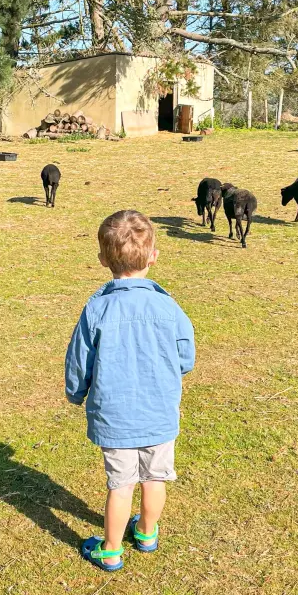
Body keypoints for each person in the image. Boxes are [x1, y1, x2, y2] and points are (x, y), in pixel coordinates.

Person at [65, 209, 195, 571]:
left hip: (115, 417)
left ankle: (110, 549)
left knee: (120, 485)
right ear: (153, 255)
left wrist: (75, 392)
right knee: (155, 478)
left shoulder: (97, 309)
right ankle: (147, 532)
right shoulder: (168, 306)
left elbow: (79, 359)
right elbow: (186, 354)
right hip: (159, 414)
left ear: (103, 259)